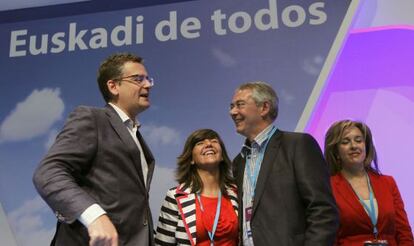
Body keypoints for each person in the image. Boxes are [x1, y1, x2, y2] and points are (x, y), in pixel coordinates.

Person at [33, 53, 155, 246]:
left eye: (148, 79)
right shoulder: (92, 118)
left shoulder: (135, 133)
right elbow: (48, 173)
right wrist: (94, 216)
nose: (148, 84)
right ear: (113, 86)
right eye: (138, 79)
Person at [229, 81, 339, 246]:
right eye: (232, 106)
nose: (233, 112)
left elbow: (323, 211)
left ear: (264, 108)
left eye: (240, 105)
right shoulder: (239, 161)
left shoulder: (298, 145)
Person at [324, 119, 414, 246]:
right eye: (345, 142)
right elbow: (329, 236)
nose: (353, 146)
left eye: (358, 140)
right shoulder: (328, 186)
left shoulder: (388, 183)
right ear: (336, 152)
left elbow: (404, 232)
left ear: (366, 146)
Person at [155, 129, 239, 246]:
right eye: (200, 143)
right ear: (191, 160)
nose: (208, 144)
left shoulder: (236, 193)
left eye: (214, 141)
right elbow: (163, 243)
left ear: (222, 157)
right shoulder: (176, 196)